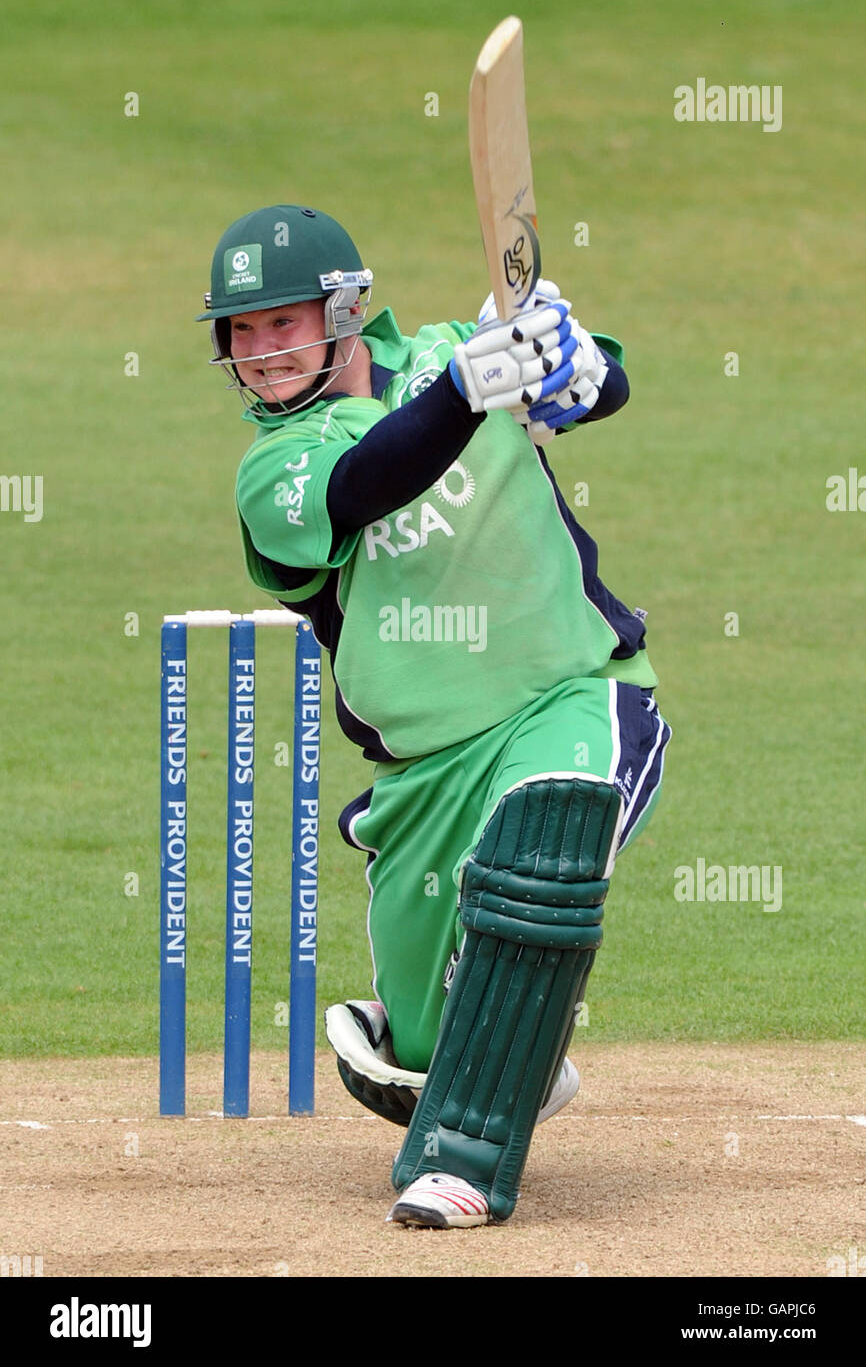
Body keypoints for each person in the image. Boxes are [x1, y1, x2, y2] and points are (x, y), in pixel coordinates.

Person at [198, 204, 671, 1229]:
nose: (261, 352)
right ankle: (450, 1043)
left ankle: (464, 1163)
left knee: (543, 834)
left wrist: (571, 367)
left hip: (568, 696)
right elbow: (374, 476)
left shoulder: (459, 349)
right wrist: (469, 390)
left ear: (345, 309)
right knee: (424, 1054)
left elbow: (596, 390)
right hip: (423, 774)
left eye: (282, 323)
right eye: (241, 332)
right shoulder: (273, 469)